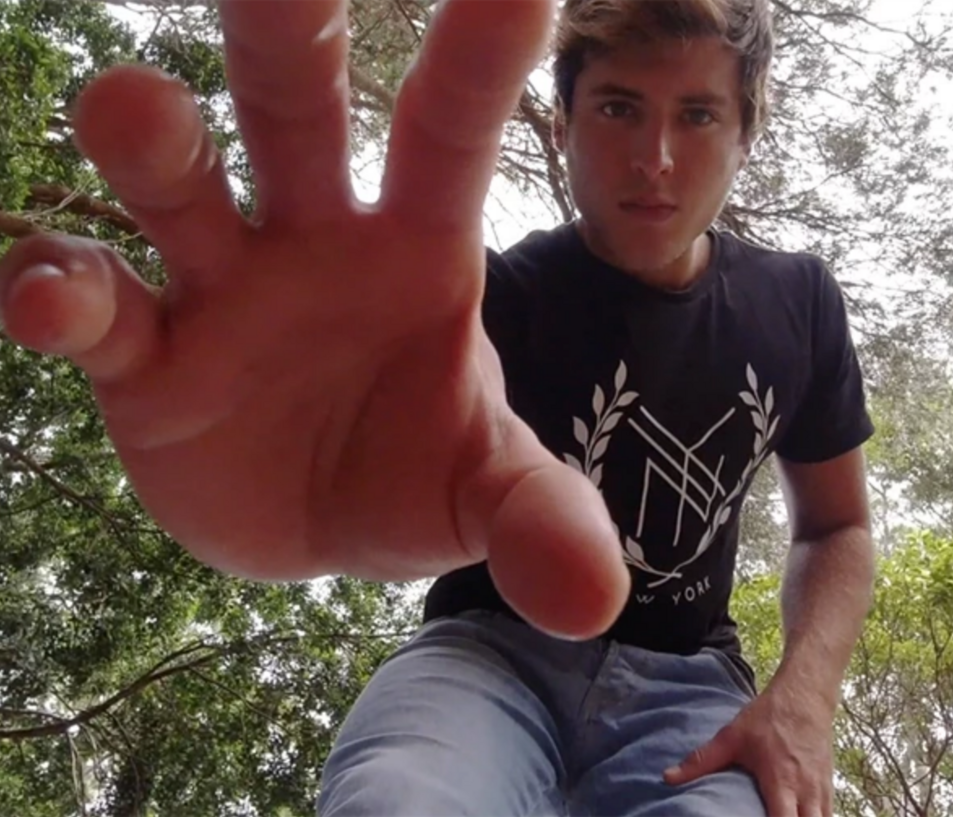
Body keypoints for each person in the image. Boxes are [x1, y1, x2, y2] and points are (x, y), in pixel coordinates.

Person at [0, 0, 875, 814]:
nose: (654, 157)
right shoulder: (472, 304)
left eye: (697, 115)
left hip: (692, 691)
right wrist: (302, 472)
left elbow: (836, 526)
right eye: (617, 107)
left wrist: (802, 700)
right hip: (484, 661)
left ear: (746, 131)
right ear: (562, 124)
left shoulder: (796, 304)